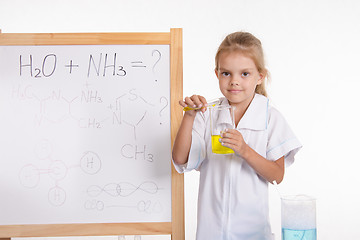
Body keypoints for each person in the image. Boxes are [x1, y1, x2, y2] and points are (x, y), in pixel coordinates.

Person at [172, 31, 302, 240]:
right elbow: (180, 159)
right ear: (217, 74)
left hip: (253, 233)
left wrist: (245, 151)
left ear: (260, 76)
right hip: (211, 232)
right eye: (226, 73)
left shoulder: (270, 117)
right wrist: (189, 116)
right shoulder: (208, 114)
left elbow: (277, 175)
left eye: (244, 74)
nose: (234, 81)